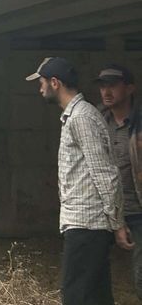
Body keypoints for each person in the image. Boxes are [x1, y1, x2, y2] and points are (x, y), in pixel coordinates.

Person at [27, 57, 126, 305]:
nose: (40, 88)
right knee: (96, 297)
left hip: (87, 225)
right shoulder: (78, 116)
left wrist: (117, 223)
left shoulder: (82, 118)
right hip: (85, 224)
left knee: (77, 296)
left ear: (55, 82)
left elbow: (105, 172)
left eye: (41, 82)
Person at [96, 64, 142, 298]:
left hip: (138, 209)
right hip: (105, 210)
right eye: (103, 86)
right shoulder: (95, 122)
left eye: (113, 85)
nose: (106, 91)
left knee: (140, 275)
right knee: (93, 271)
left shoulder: (140, 122)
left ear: (130, 88)